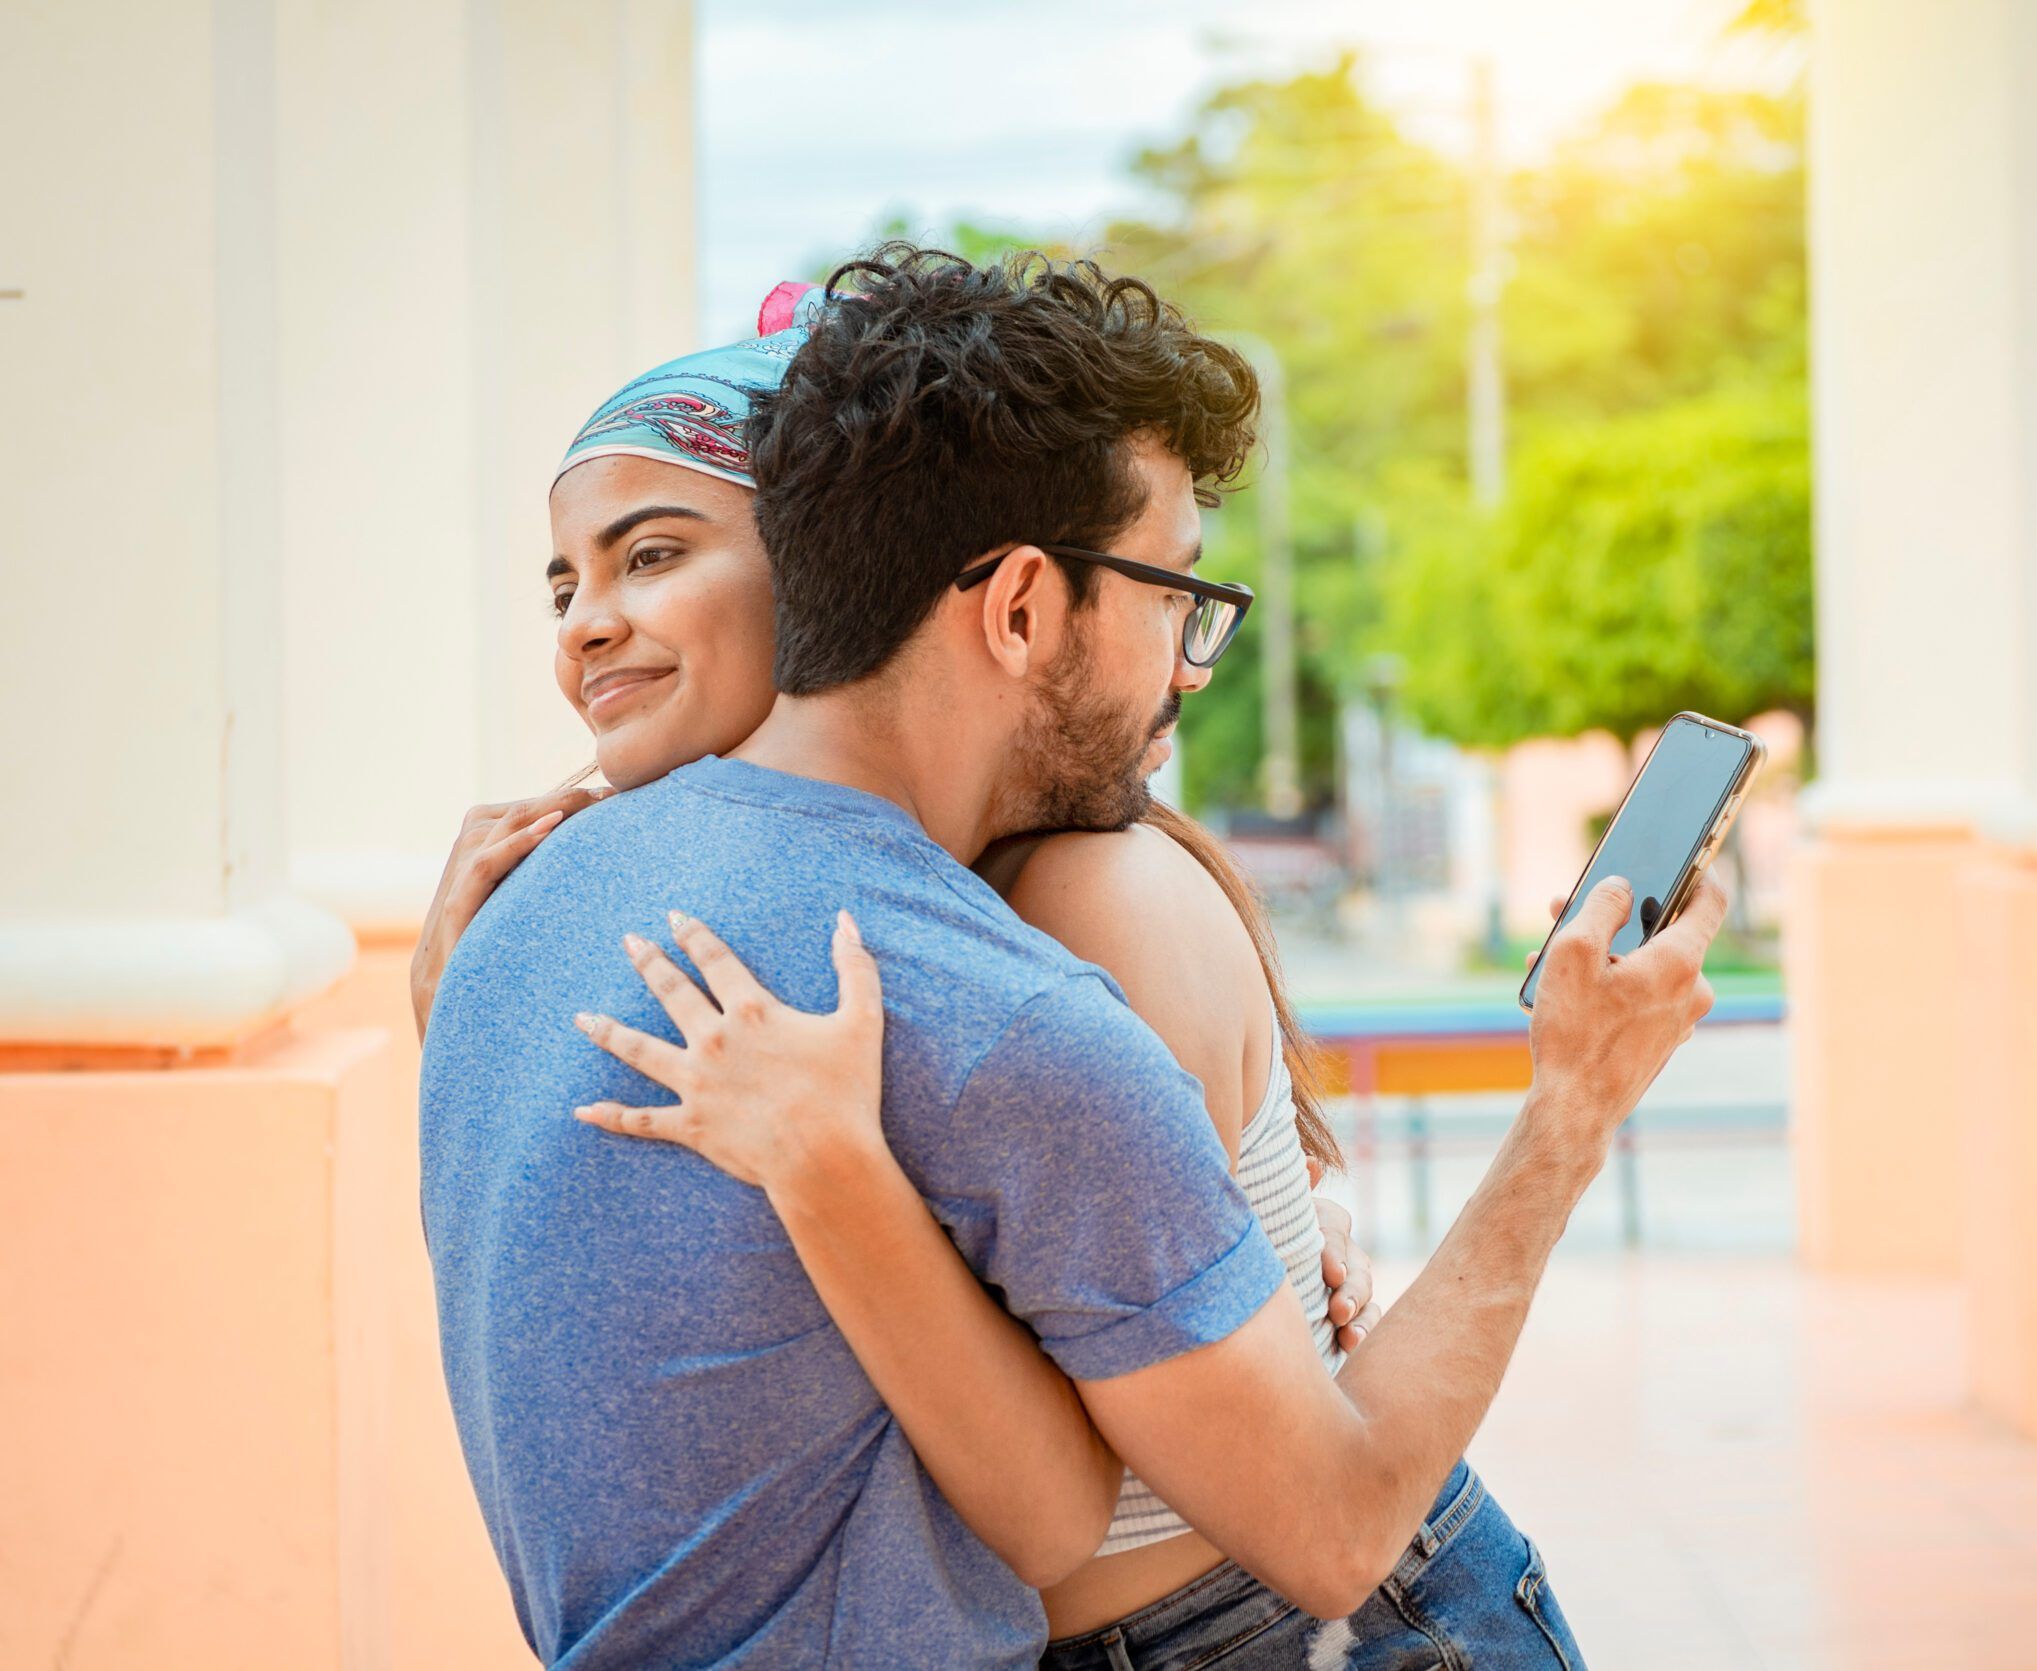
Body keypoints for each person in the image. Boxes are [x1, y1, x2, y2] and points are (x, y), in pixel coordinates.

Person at [419, 246, 1724, 1669]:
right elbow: (1328, 1529)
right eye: (1173, 596)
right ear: (1026, 607)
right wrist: (1574, 1107)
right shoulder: (995, 1002)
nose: (1186, 663)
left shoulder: (509, 925)